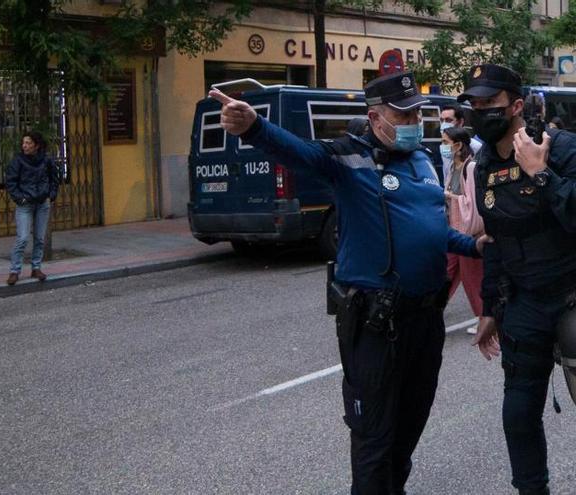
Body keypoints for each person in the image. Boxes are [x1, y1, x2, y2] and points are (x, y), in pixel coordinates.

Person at [209, 71, 485, 494]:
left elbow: (430, 229)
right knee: (374, 437)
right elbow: (300, 153)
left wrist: (473, 246)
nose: (414, 122)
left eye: (417, 114)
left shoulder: (422, 162)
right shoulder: (347, 159)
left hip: (425, 322)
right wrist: (255, 127)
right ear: (376, 118)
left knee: (408, 430)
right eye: (403, 114)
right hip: (377, 324)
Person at [463, 64, 576, 495]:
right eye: (473, 105)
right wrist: (490, 308)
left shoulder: (561, 148)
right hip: (525, 302)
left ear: (514, 106)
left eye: (488, 104)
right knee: (518, 414)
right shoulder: (484, 164)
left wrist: (541, 174)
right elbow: (497, 242)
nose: (479, 112)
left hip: (571, 294)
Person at [441, 126, 485, 335]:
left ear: (458, 145)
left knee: (472, 279)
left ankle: (484, 318)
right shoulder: (452, 167)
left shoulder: (471, 167)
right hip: (453, 230)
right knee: (445, 271)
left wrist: (450, 197)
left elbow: (473, 203)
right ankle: (435, 307)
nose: (443, 147)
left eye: (445, 142)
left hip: (468, 233)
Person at [4, 131, 59, 286]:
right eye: (23, 143)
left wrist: (51, 195)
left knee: (40, 238)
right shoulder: (18, 161)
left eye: (28, 143)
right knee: (22, 238)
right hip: (25, 204)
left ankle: (36, 267)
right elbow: (11, 182)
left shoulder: (46, 160)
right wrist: (19, 198)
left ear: (36, 145)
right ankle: (15, 271)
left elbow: (54, 179)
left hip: (42, 203)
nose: (25, 146)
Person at [440, 103, 482, 182]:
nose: (443, 124)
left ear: (460, 122)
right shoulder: (444, 147)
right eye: (442, 120)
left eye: (448, 120)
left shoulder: (476, 147)